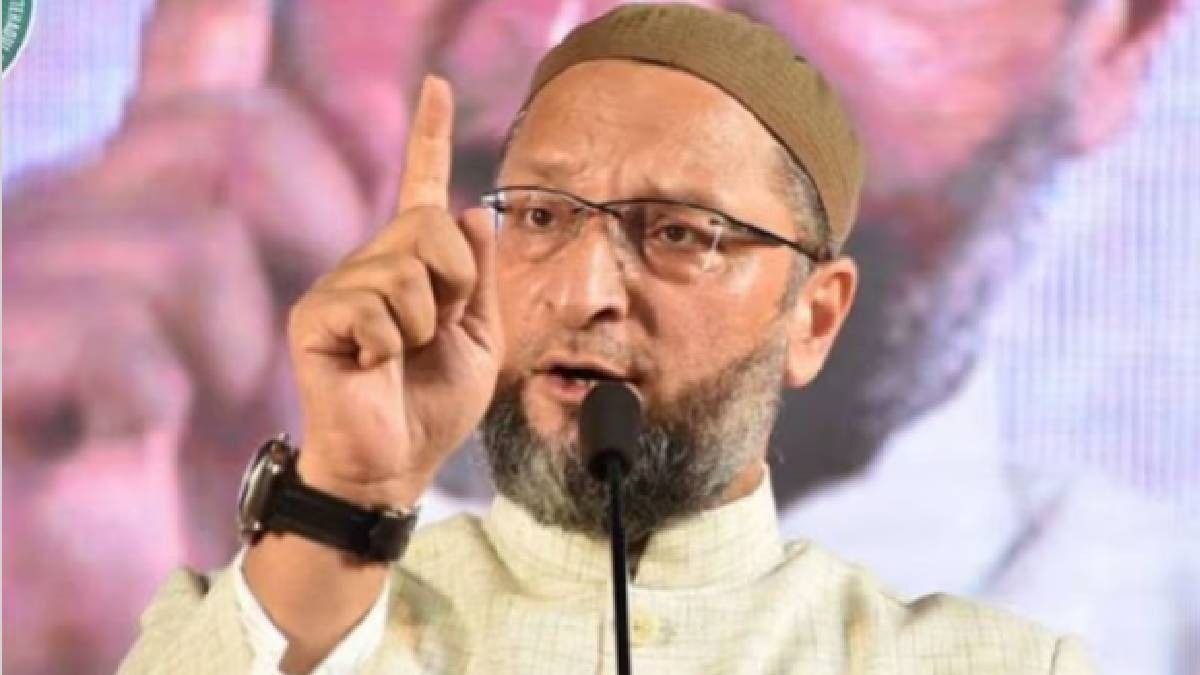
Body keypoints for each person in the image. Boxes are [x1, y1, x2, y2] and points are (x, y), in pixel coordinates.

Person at [117, 5, 1096, 674]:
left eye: (679, 233)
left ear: (815, 315)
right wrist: (345, 494)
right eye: (542, 217)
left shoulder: (996, 662)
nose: (584, 293)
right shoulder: (273, 623)